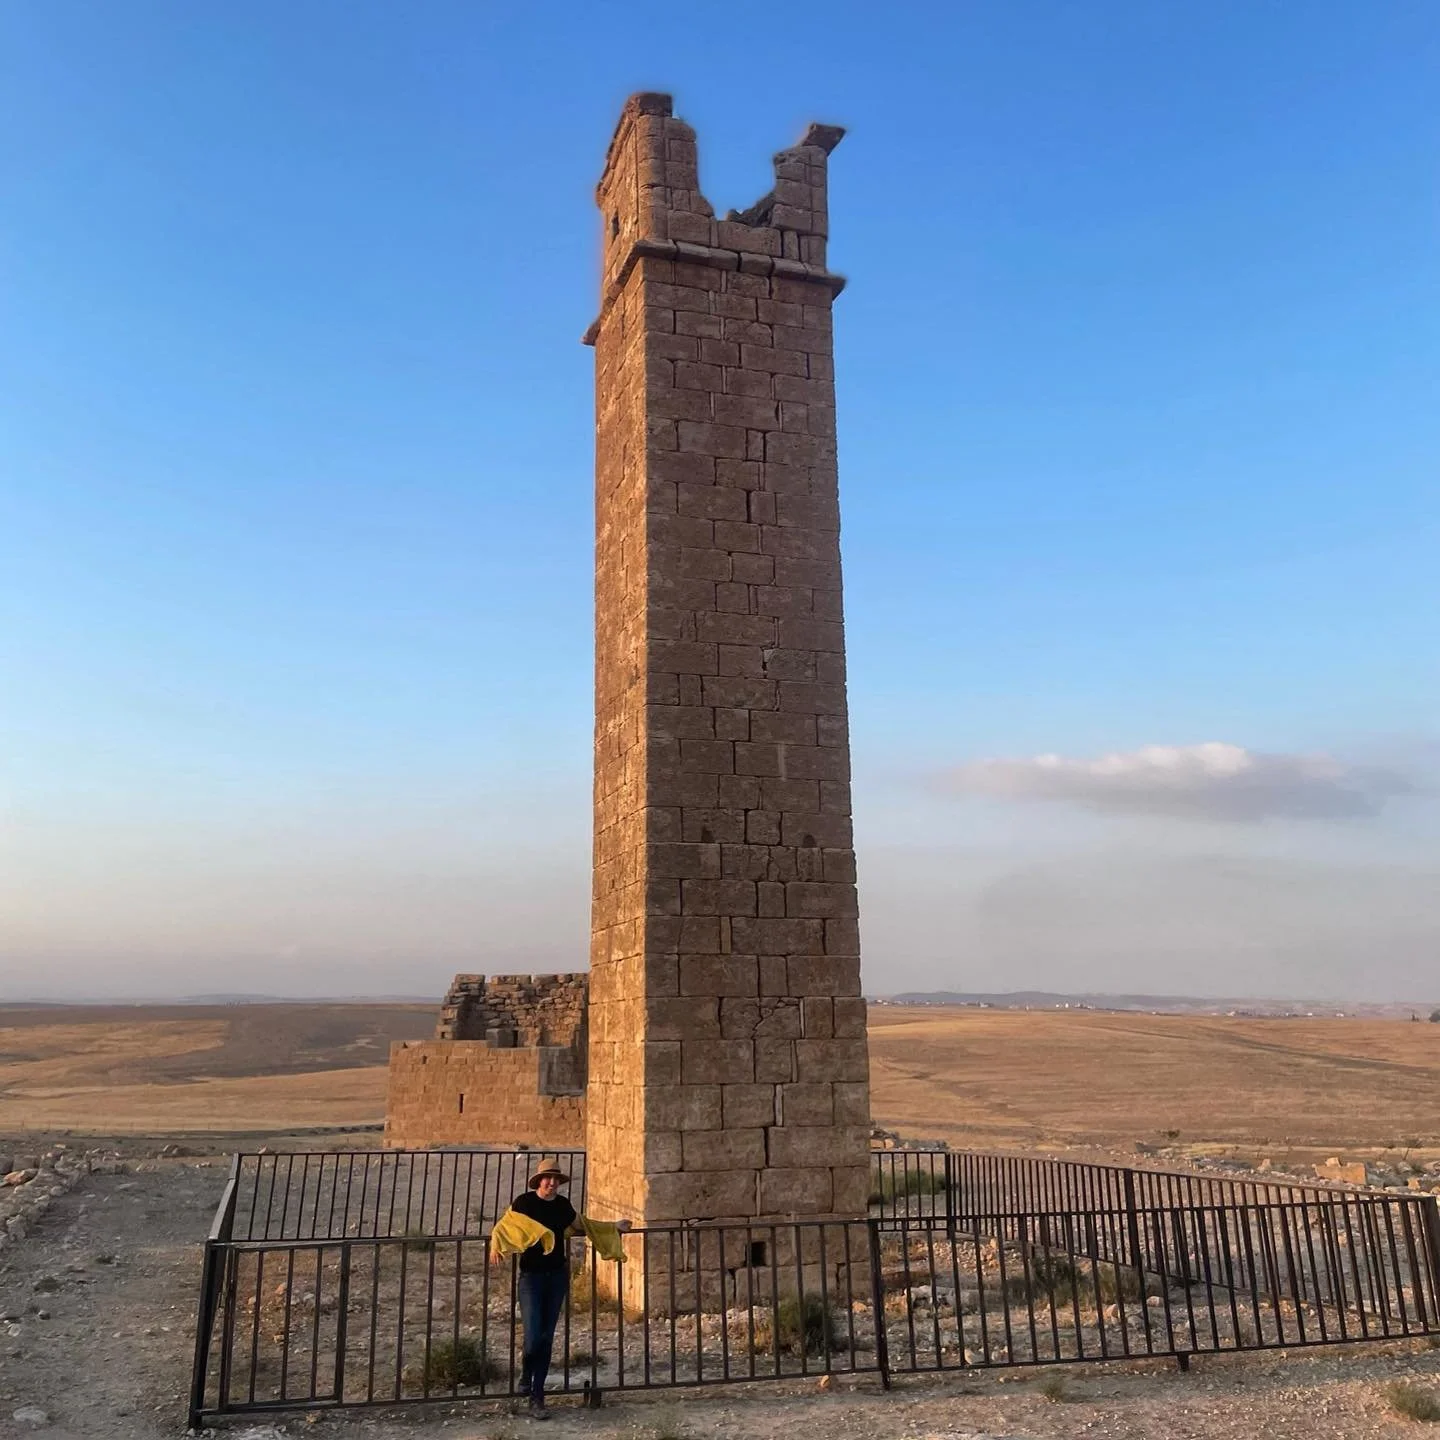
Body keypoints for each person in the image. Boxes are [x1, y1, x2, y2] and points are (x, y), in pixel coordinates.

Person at [489, 1158, 630, 1420]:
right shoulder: (524, 1203)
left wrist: (613, 1227)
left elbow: (583, 1224)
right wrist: (495, 1243)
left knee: (545, 1336)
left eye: (556, 1179)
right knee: (533, 1336)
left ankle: (537, 1396)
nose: (552, 1182)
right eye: (547, 1178)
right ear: (538, 1181)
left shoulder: (563, 1206)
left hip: (556, 1277)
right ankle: (526, 1372)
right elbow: (503, 1226)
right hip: (530, 1278)